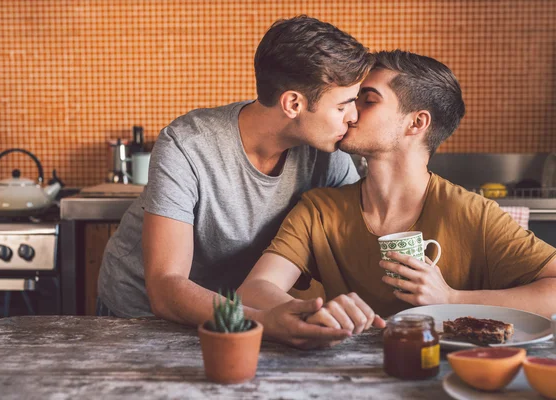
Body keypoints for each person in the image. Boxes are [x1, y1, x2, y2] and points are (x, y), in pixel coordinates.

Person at [238, 50, 556, 340]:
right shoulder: (319, 210)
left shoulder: (472, 213)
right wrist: (312, 311)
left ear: (416, 123)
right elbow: (254, 289)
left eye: (368, 100)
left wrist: (451, 299)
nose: (349, 112)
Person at [97, 15, 374, 348]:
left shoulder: (328, 154)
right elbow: (166, 288)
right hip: (141, 314)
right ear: (293, 104)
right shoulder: (187, 144)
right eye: (344, 105)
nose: (354, 116)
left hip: (243, 313)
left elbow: (360, 239)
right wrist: (262, 321)